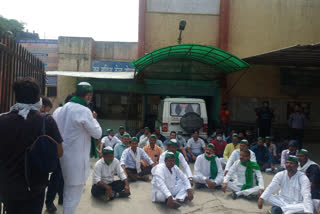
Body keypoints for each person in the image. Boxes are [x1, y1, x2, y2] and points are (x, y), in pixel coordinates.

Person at [0, 78, 63, 214]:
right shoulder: (46, 121)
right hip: (35, 186)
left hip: (8, 186)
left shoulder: (2, 120)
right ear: (37, 99)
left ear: (16, 97)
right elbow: (59, 152)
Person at [56, 82, 102, 214]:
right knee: (73, 196)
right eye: (90, 96)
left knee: (68, 192)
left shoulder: (64, 108)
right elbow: (97, 133)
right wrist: (94, 119)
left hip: (64, 156)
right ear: (88, 95)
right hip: (76, 160)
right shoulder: (84, 110)